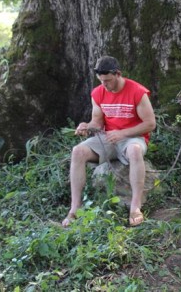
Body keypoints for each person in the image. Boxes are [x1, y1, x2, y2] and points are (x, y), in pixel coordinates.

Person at [62, 56, 156, 227]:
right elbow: (97, 122)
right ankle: (74, 209)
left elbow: (150, 124)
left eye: (108, 81)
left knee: (135, 151)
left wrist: (123, 133)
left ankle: (135, 206)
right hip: (108, 138)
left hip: (132, 138)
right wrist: (86, 126)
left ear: (118, 74)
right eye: (101, 81)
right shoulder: (98, 93)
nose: (104, 85)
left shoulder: (137, 91)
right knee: (78, 151)